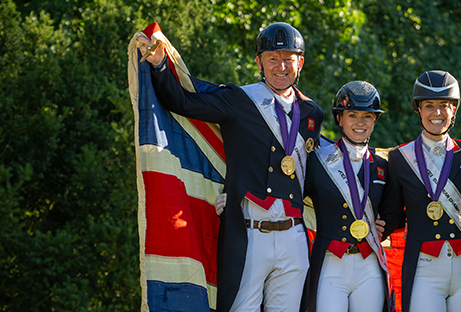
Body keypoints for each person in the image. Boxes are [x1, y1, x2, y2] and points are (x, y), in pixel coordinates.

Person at [139, 22, 323, 312]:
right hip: (248, 231)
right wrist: (160, 65)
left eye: (288, 58)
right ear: (259, 62)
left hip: (294, 236)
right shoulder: (240, 99)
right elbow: (183, 102)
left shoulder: (312, 112)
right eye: (272, 58)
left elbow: (310, 177)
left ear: (300, 62)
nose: (281, 66)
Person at [382, 70, 461, 312]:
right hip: (424, 266)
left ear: (454, 110)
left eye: (444, 105)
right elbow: (393, 212)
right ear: (418, 110)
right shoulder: (400, 158)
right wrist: (379, 225)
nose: (437, 112)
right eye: (429, 105)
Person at [302, 81, 397, 312]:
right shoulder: (317, 161)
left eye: (367, 116)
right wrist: (232, 198)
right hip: (329, 264)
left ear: (375, 120)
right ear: (339, 119)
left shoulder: (383, 166)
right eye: (352, 114)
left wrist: (386, 224)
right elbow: (290, 195)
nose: (360, 122)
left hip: (369, 266)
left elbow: (394, 210)